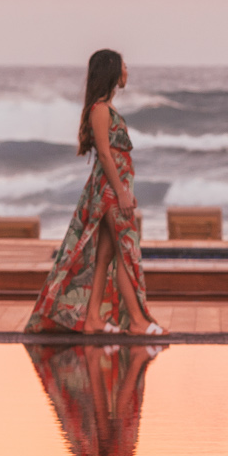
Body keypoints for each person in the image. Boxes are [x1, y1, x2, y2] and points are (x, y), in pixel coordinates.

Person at [26, 49, 164, 335]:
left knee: (105, 254)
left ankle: (91, 319)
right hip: (109, 193)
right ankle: (137, 322)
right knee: (126, 252)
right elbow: (104, 153)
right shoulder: (100, 110)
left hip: (115, 190)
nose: (128, 71)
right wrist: (121, 193)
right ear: (113, 72)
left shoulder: (107, 109)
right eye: (125, 66)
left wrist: (126, 189)